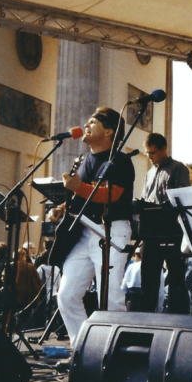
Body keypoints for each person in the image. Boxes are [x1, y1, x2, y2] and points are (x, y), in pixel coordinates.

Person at [56, 107, 135, 348]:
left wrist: (78, 187)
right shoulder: (83, 160)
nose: (86, 125)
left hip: (112, 230)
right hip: (84, 232)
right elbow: (82, 195)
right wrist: (61, 206)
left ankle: (117, 351)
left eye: (93, 122)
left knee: (110, 297)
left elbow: (113, 195)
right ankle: (84, 348)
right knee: (67, 295)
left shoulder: (120, 160)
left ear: (109, 131)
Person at [139, 132, 191, 313]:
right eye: (147, 154)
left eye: (152, 153)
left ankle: (179, 318)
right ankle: (148, 320)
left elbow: (182, 200)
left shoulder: (178, 168)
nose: (150, 158)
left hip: (171, 231)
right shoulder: (150, 173)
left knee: (176, 279)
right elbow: (145, 198)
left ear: (163, 149)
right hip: (150, 233)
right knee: (148, 279)